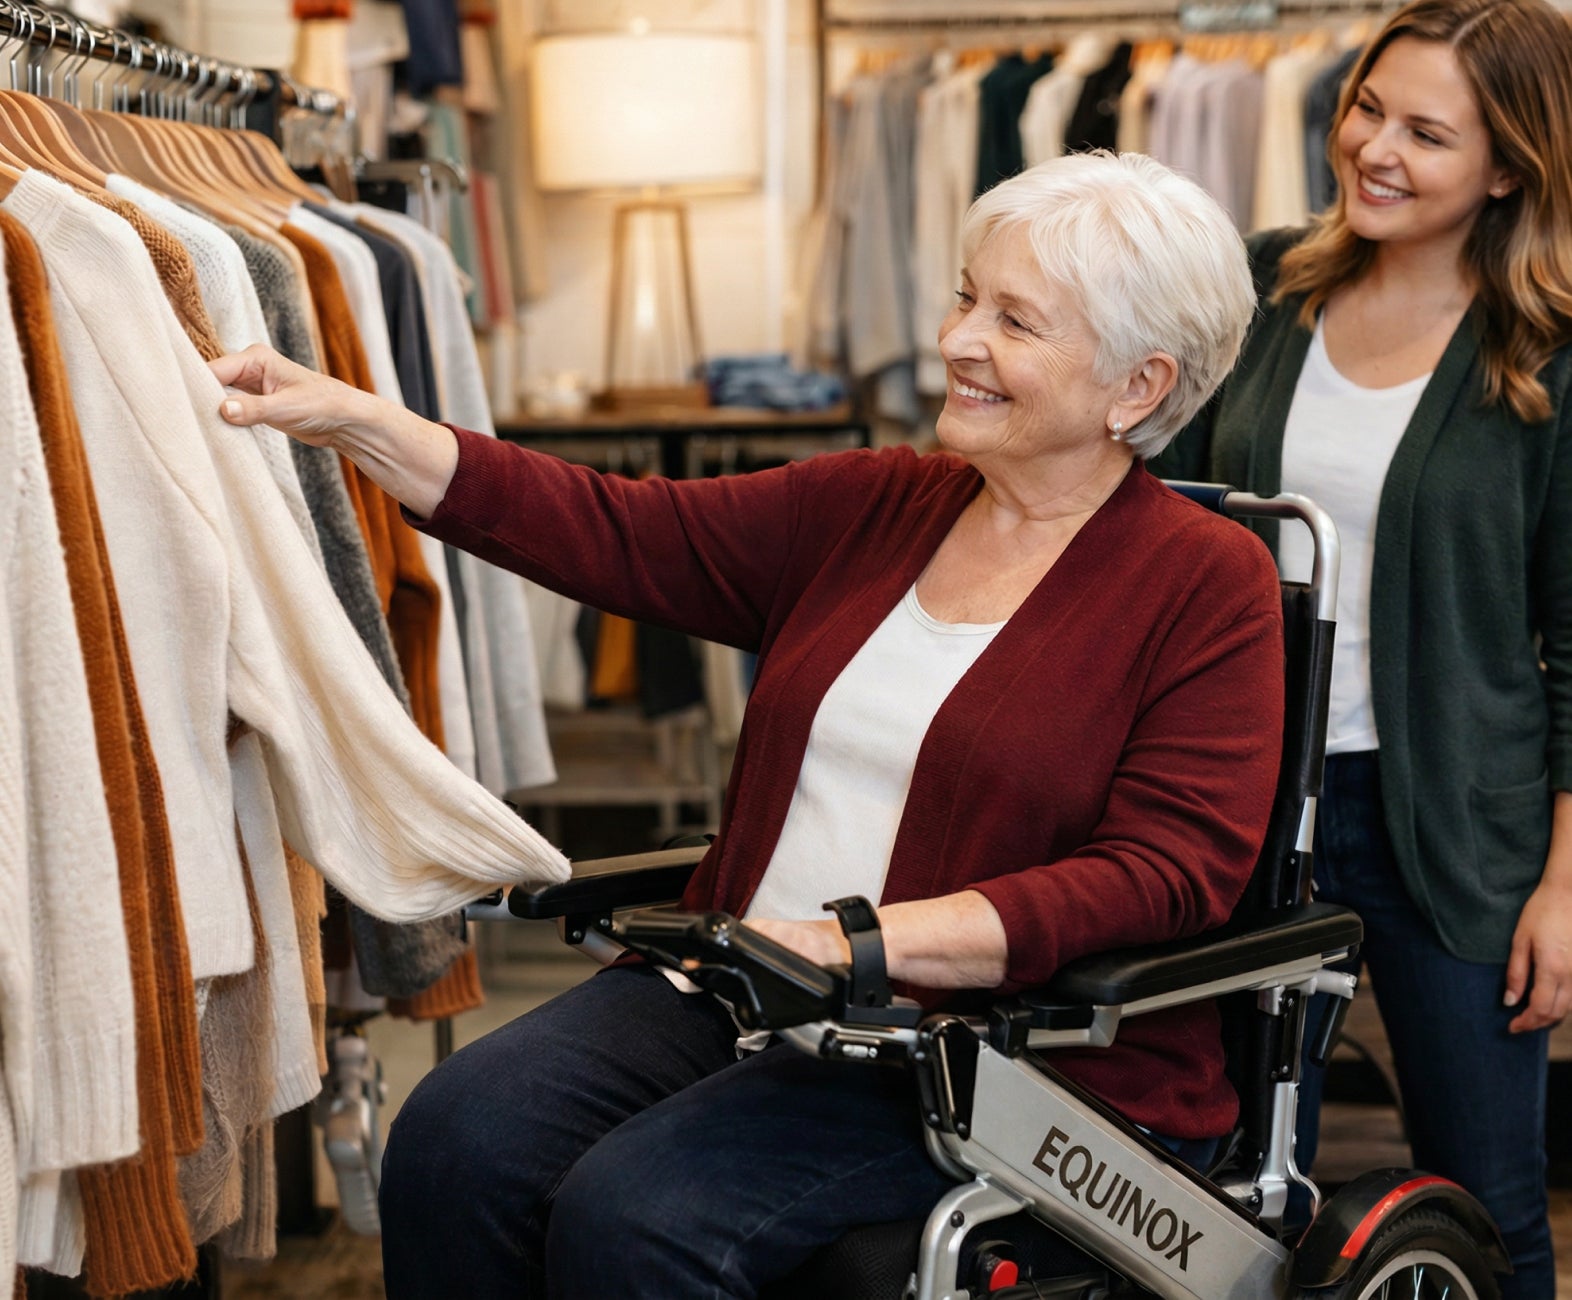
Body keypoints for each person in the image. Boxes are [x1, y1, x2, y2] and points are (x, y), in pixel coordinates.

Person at [211, 151, 1282, 1298]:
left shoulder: (1206, 584)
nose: (960, 339)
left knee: (639, 1217)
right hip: (747, 988)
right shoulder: (880, 503)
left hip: (983, 1060)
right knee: (455, 1138)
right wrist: (359, 423)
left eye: (1015, 321)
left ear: (1138, 385)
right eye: (968, 296)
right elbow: (616, 529)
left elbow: (1163, 873)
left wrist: (864, 942)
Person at [1152, 2, 1572, 1294]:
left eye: (1427, 133)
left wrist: (1567, 883)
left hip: (1450, 825)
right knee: (1207, 1174)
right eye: (1366, 108)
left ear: (1508, 165)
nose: (1374, 148)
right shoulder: (1269, 289)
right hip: (1243, 804)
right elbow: (1156, 517)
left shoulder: (1545, 356)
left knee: (1485, 1193)